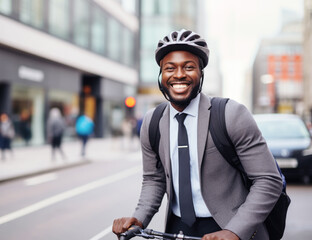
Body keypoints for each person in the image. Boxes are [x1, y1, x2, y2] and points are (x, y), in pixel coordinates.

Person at [112, 29, 283, 240]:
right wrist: (139, 218)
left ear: (201, 73)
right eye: (170, 68)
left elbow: (268, 180)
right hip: (177, 229)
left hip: (230, 227)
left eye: (189, 67)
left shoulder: (231, 114)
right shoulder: (152, 122)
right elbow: (154, 180)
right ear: (161, 75)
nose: (179, 74)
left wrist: (235, 231)